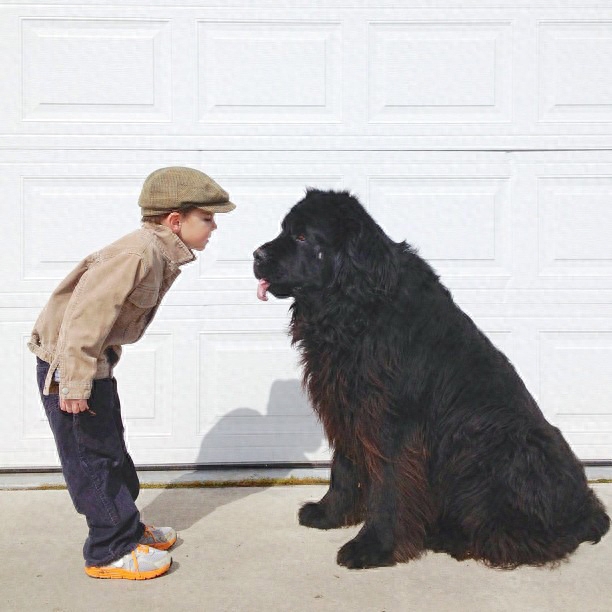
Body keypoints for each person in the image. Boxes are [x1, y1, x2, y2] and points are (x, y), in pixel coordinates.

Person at [28, 167, 236, 579]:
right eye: (208, 218)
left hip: (92, 362)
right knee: (91, 459)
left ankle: (128, 527)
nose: (214, 228)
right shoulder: (137, 254)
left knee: (113, 451)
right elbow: (83, 320)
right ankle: (108, 550)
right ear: (175, 220)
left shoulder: (157, 252)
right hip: (68, 365)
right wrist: (74, 382)